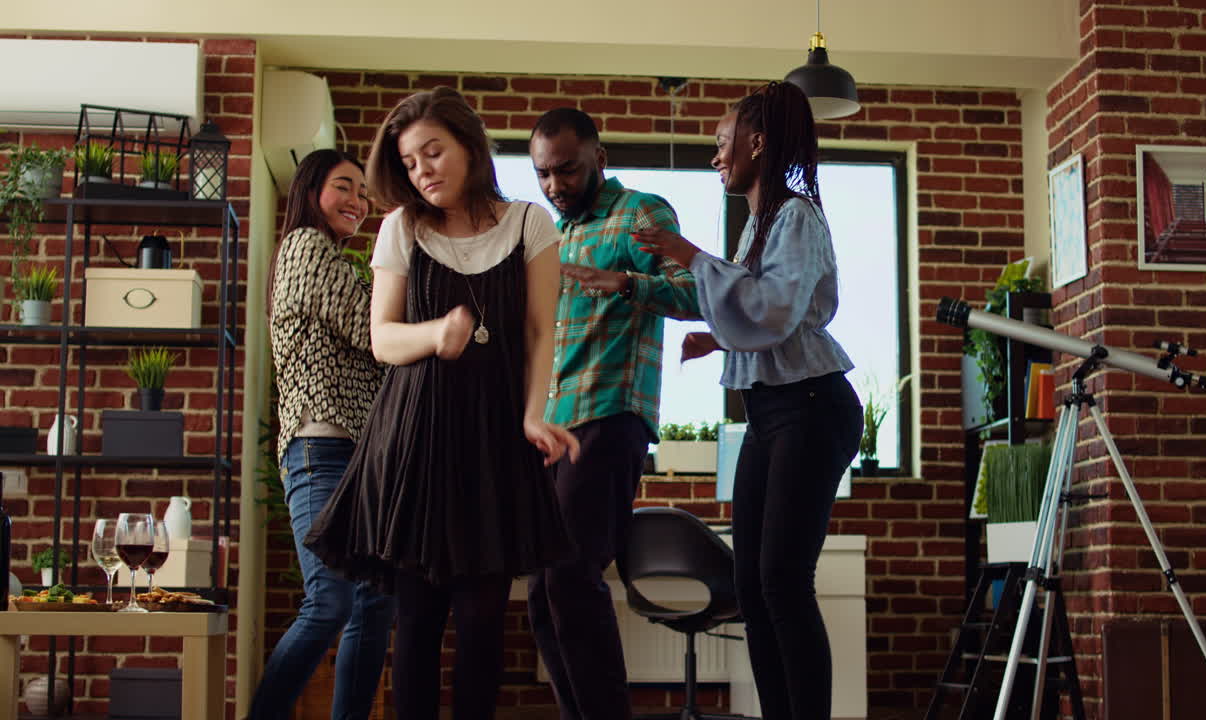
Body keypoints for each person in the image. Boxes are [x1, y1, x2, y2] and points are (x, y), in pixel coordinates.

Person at [304, 87, 579, 720]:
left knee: (484, 629)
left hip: (492, 443)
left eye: (433, 151)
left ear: (469, 148)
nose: (422, 169)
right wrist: (436, 333)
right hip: (413, 445)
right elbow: (381, 338)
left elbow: (542, 332)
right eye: (408, 161)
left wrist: (534, 414)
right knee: (417, 627)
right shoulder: (401, 226)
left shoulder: (529, 224)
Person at [633, 81, 863, 720]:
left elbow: (774, 308)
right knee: (753, 586)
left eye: (720, 142)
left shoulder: (796, 216)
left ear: (756, 143)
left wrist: (688, 255)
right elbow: (753, 309)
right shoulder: (760, 223)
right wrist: (715, 335)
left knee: (784, 585)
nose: (715, 156)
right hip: (771, 411)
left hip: (813, 407)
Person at [525, 108, 701, 720]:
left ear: (599, 158)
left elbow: (695, 291)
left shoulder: (641, 213)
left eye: (567, 170)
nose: (554, 186)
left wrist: (625, 282)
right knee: (544, 598)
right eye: (542, 174)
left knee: (572, 579)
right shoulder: (554, 232)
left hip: (609, 415)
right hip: (551, 426)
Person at [252, 148, 395, 720]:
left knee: (374, 602)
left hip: (357, 457)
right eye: (344, 187)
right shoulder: (306, 248)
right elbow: (372, 330)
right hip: (321, 448)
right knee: (330, 601)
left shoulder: (333, 261)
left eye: (362, 192)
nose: (357, 202)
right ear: (311, 191)